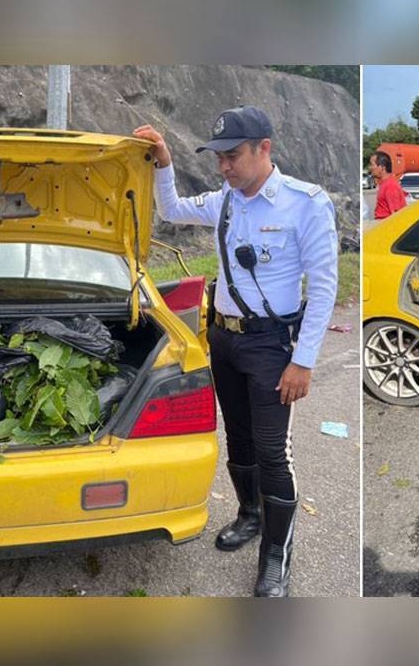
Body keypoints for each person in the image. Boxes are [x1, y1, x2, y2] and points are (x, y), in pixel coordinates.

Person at [133, 106, 338, 598]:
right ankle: (250, 515)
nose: (224, 167)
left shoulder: (304, 204)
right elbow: (172, 209)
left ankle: (276, 555)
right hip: (223, 340)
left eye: (233, 156)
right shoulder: (226, 200)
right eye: (219, 157)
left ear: (264, 148)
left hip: (272, 346)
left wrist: (303, 360)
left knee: (273, 452)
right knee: (239, 438)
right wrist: (163, 162)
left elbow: (326, 286)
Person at [368, 151, 406, 219]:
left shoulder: (390, 186)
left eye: (372, 165)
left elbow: (396, 215)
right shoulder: (385, 184)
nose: (370, 168)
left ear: (382, 168)